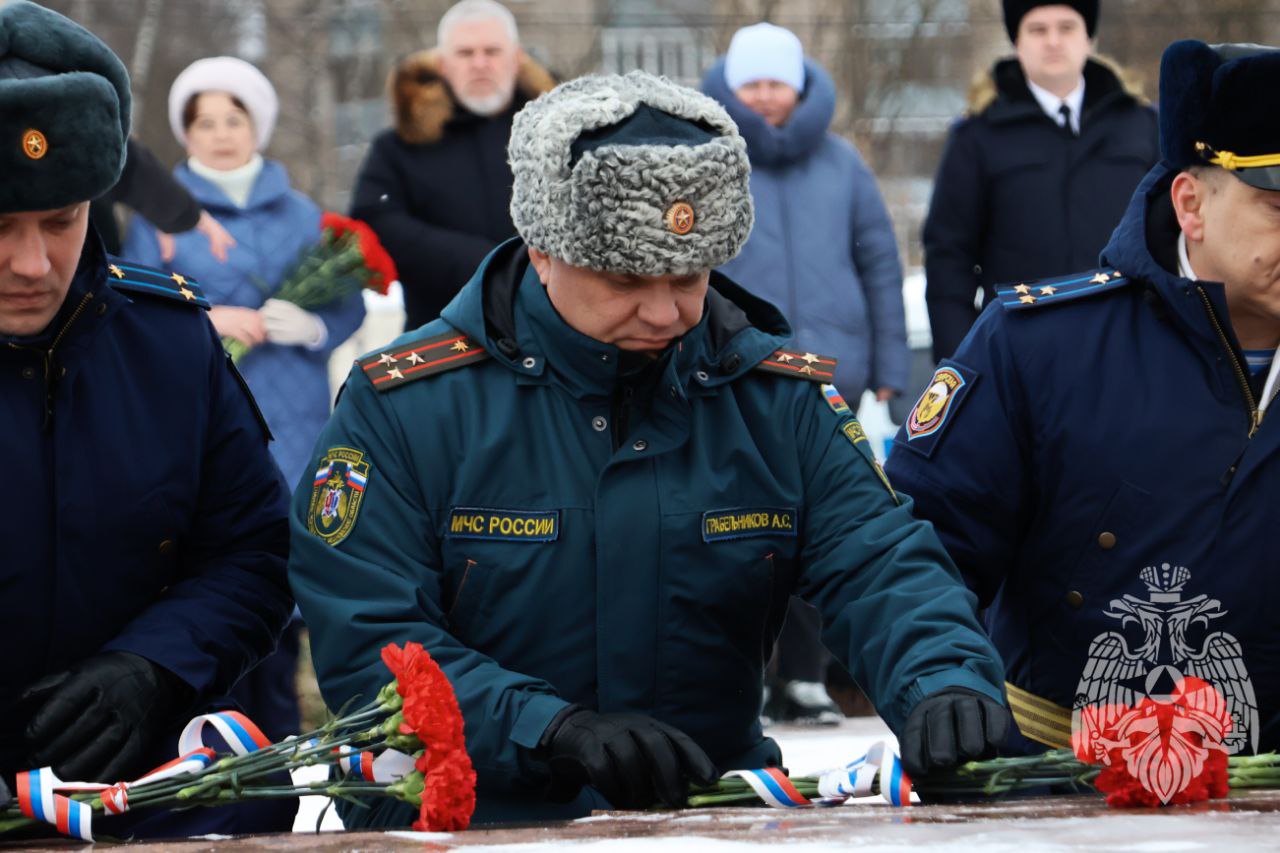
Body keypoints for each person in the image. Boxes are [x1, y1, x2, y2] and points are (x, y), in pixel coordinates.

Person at [290, 71, 1011, 827]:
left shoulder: (773, 398)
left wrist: (943, 677)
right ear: (542, 251)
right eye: (628, 279)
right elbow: (369, 636)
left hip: (708, 819)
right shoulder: (408, 405)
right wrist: (546, 730)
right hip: (472, 823)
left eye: (691, 276)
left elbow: (879, 561)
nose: (666, 311)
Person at [885, 41, 1280, 757]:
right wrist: (940, 675)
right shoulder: (1040, 346)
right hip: (1062, 787)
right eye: (1278, 206)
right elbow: (913, 545)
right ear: (1190, 203)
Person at [0, 1, 293, 837]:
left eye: (61, 221)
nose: (32, 263)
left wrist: (157, 664)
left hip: (141, 800)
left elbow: (251, 548)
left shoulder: (169, 343)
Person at [702, 22, 909, 726]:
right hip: (738, 371)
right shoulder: (708, 157)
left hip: (831, 374)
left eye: (775, 82)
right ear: (731, 87)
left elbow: (880, 262)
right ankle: (743, 677)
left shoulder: (843, 162)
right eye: (750, 83)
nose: (764, 97)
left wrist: (887, 366)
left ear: (798, 85)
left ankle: (808, 673)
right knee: (738, 529)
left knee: (824, 524)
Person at [123, 56, 366, 489]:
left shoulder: (303, 215)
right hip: (200, 404)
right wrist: (207, 320)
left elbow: (350, 306)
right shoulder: (159, 217)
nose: (221, 135)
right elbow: (131, 309)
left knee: (293, 538)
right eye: (205, 123)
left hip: (296, 413)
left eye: (234, 120)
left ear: (257, 127)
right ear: (186, 133)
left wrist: (312, 328)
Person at [922, 0, 1158, 363]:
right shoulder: (978, 137)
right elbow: (948, 259)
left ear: (1089, 38)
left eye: (1067, 27)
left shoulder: (1142, 125)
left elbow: (1174, 236)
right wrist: (963, 364)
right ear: (1017, 41)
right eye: (1037, 29)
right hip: (1022, 354)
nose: (1053, 41)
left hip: (1132, 346)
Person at [349, 0, 555, 331]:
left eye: (492, 51)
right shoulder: (401, 144)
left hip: (551, 331)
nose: (480, 63)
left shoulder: (559, 133)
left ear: (517, 59)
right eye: (465, 53)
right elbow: (374, 221)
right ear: (443, 65)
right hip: (440, 337)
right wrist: (480, 261)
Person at [91, 137, 236, 260]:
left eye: (233, 123)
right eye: (207, 125)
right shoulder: (147, 222)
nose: (221, 136)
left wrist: (181, 212)